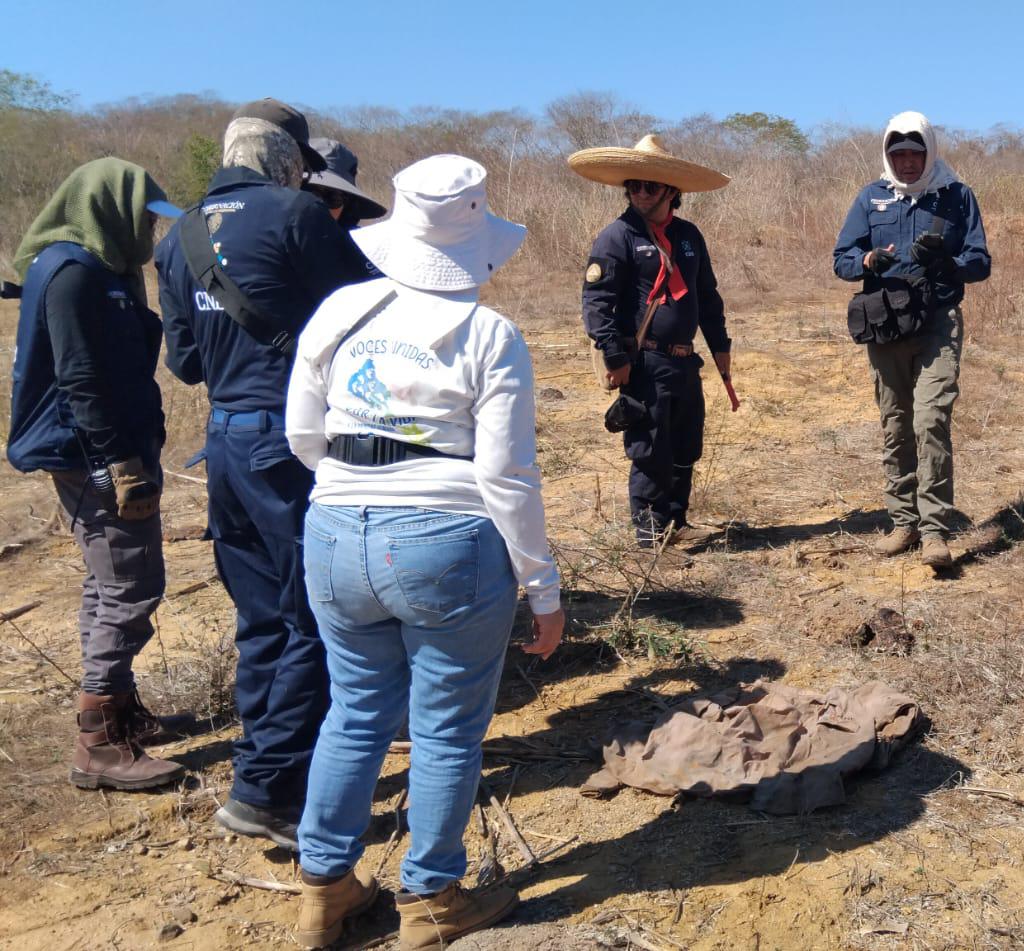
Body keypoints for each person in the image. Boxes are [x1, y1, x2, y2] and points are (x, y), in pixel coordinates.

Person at [284, 154, 563, 949]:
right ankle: (432, 896)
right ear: (476, 240)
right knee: (444, 728)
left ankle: (325, 886)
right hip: (448, 538)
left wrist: (358, 487)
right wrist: (542, 591)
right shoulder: (490, 334)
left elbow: (304, 433)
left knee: (355, 708)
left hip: (334, 528)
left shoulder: (341, 310)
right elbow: (505, 474)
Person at [154, 98, 376, 848]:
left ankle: (267, 762)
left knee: (261, 617)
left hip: (220, 445)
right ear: (287, 160)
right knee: (316, 611)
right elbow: (369, 312)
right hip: (288, 445)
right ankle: (270, 790)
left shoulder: (177, 235)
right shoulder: (296, 216)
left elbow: (185, 363)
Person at [6, 158, 185, 790]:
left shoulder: (102, 269)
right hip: (97, 456)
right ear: (108, 207)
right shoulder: (72, 273)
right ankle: (97, 742)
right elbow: (81, 377)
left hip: (107, 447)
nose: (149, 231)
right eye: (141, 217)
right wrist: (122, 465)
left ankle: (118, 708)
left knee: (107, 580)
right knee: (132, 586)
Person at [832, 111, 990, 568]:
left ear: (929, 152)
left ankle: (935, 531)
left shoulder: (957, 197)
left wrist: (948, 264)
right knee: (896, 424)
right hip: (886, 323)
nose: (905, 163)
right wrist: (867, 263)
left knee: (930, 420)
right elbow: (841, 259)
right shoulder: (871, 197)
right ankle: (903, 523)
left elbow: (980, 261)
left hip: (938, 323)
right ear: (887, 154)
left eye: (914, 153)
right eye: (897, 154)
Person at [568, 135, 733, 548]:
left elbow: (707, 296)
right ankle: (650, 534)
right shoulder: (616, 236)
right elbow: (597, 302)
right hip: (643, 363)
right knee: (650, 448)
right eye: (634, 186)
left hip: (684, 361)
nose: (641, 193)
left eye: (650, 186)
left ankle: (678, 521)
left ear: (671, 192)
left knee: (684, 444)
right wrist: (614, 356)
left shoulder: (690, 236)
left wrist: (721, 347)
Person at [302, 138, 388, 229]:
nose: (319, 207)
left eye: (333, 199)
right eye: (308, 193)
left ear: (346, 206)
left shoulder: (355, 242)